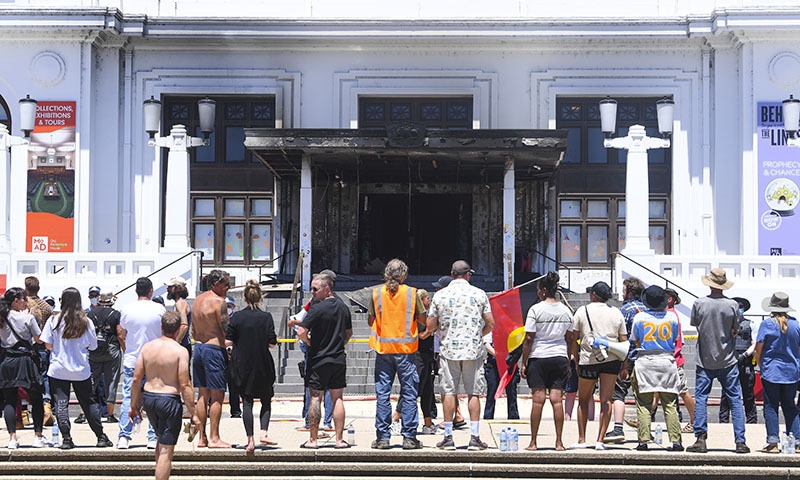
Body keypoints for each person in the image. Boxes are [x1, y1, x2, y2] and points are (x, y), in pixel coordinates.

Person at [425, 260, 494, 451]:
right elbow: (490, 322)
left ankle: (448, 436)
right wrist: (477, 334)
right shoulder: (479, 294)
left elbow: (430, 325)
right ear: (468, 275)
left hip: (449, 349)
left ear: (452, 274)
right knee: (473, 393)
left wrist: (442, 330)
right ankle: (475, 436)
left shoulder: (441, 295)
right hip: (473, 349)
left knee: (448, 392)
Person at [40, 287, 114, 449]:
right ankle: (100, 436)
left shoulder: (54, 320)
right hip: (81, 370)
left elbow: (47, 344)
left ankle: (66, 438)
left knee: (60, 404)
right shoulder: (86, 321)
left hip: (58, 368)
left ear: (62, 301)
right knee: (89, 403)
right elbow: (93, 346)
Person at [130, 311, 201, 480]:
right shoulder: (180, 351)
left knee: (161, 441)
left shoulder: (147, 347)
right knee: (167, 450)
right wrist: (194, 413)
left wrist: (134, 405)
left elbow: (136, 378)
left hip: (149, 397)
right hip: (168, 399)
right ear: (178, 330)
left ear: (161, 327)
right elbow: (185, 384)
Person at [687, 268, 749, 454]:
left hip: (705, 358)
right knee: (735, 400)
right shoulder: (732, 305)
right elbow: (734, 330)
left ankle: (700, 437)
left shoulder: (699, 303)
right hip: (728, 358)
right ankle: (740, 440)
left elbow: (697, 326)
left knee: (702, 398)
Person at [367, 259, 425, 450]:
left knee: (383, 394)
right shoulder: (411, 293)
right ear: (403, 275)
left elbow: (370, 320)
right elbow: (422, 319)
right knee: (409, 394)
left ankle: (383, 438)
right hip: (406, 352)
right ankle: (409, 437)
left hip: (384, 350)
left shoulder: (376, 293)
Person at [291, 273, 353, 449]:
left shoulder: (317, 309)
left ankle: (313, 439)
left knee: (315, 398)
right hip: (338, 357)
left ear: (327, 289)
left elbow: (301, 331)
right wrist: (339, 344)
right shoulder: (343, 308)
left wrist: (310, 343)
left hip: (318, 358)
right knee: (337, 398)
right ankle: (339, 440)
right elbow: (349, 333)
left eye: (315, 289)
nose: (312, 292)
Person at [569, 281, 626, 450]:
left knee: (584, 400)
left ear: (593, 294)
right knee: (606, 400)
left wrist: (575, 357)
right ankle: (600, 440)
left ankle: (581, 439)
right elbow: (624, 340)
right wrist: (624, 366)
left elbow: (574, 337)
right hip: (612, 359)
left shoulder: (582, 311)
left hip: (589, 359)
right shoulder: (616, 312)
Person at [520, 271, 573, 451]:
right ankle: (559, 442)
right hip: (559, 356)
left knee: (538, 400)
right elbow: (570, 338)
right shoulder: (566, 311)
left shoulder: (536, 310)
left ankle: (533, 442)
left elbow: (529, 339)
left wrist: (524, 362)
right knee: (557, 400)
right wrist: (568, 360)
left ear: (543, 290)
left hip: (538, 357)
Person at [225, 280, 277, 451]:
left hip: (242, 363)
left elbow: (228, 340)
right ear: (260, 297)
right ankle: (264, 432)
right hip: (262, 362)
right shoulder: (266, 317)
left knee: (247, 402)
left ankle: (250, 440)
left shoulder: (237, 317)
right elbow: (272, 343)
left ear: (244, 298)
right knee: (265, 399)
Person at [630, 285, 682, 452]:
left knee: (643, 403)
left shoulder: (640, 318)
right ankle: (676, 441)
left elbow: (635, 339)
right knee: (670, 403)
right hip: (666, 360)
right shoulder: (672, 318)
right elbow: (675, 339)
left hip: (645, 360)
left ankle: (643, 440)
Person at [117, 277, 166, 449]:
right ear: (151, 291)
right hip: (155, 359)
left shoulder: (127, 309)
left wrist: (128, 347)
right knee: (153, 398)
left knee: (129, 398)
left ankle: (124, 435)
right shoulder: (159, 308)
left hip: (132, 358)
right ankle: (152, 437)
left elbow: (122, 331)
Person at [0, 288, 47, 449]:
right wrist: (34, 317)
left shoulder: (2, 317)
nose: (26, 302)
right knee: (36, 398)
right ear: (16, 301)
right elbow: (39, 339)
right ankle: (38, 436)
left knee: (10, 400)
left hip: (7, 359)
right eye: (23, 299)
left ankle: (12, 437)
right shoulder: (27, 318)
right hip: (26, 359)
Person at [754, 292, 800, 453]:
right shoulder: (796, 324)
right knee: (790, 407)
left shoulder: (767, 324)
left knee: (771, 406)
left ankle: (773, 442)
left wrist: (761, 365)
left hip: (771, 371)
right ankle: (797, 441)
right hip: (792, 372)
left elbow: (758, 350)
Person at [191, 269, 232, 448]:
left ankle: (202, 438)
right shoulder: (219, 302)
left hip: (198, 347)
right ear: (216, 284)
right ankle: (214, 437)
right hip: (214, 349)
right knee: (217, 395)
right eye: (226, 284)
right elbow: (226, 330)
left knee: (202, 394)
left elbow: (193, 329)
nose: (228, 288)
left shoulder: (197, 301)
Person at [606, 276, 645, 443]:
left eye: (623, 291)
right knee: (643, 395)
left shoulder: (623, 311)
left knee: (619, 393)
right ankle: (645, 430)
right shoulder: (648, 309)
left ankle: (618, 428)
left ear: (629, 292)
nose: (622, 294)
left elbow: (619, 336)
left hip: (627, 357)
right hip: (646, 357)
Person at [719, 297, 758, 424]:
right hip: (730, 361)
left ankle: (751, 421)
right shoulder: (725, 324)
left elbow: (755, 343)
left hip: (745, 361)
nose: (738, 308)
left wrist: (746, 355)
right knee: (726, 393)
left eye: (741, 306)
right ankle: (723, 421)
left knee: (748, 393)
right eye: (736, 306)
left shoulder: (750, 324)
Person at [87, 291, 123, 423]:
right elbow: (120, 334)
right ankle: (110, 413)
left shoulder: (90, 314)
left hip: (94, 351)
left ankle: (83, 412)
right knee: (111, 382)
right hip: (111, 350)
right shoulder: (115, 314)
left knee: (91, 382)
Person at [664, 288, 696, 434]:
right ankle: (643, 419)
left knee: (683, 392)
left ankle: (695, 421)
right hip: (672, 359)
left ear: (670, 299)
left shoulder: (670, 315)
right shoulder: (672, 315)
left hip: (673, 360)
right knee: (656, 392)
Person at [24, 276, 54, 426]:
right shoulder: (46, 307)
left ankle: (23, 413)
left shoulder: (22, 305)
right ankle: (47, 407)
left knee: (24, 378)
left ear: (26, 288)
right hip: (42, 345)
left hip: (26, 346)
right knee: (44, 376)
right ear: (38, 288)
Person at [482, 334, 520, 420]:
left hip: (510, 362)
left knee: (512, 392)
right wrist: (498, 355)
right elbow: (486, 344)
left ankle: (513, 417)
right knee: (492, 391)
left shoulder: (513, 327)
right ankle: (488, 417)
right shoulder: (492, 326)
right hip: (494, 363)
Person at [224, 295, 242, 419]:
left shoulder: (237, 320)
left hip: (233, 356)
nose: (227, 309)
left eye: (229, 306)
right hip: (219, 354)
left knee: (234, 386)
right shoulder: (216, 320)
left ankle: (235, 412)